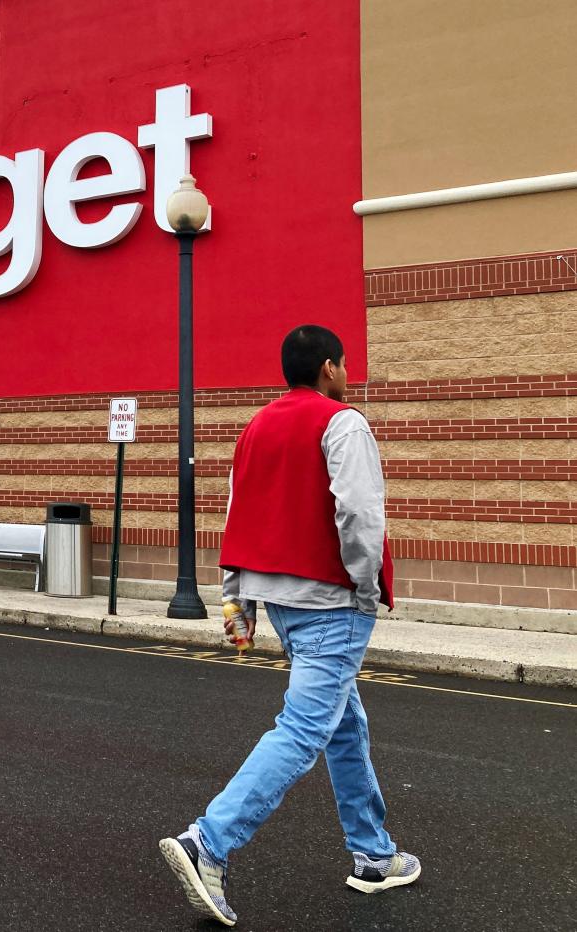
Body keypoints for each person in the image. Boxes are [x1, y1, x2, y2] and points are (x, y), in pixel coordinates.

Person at [158, 325, 419, 927]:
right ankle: (208, 843)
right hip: (331, 600)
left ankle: (375, 854)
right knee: (304, 729)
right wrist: (364, 585)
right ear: (329, 368)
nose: (349, 375)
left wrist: (236, 601)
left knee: (343, 723)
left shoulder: (255, 429)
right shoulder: (343, 421)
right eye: (345, 364)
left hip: (277, 598)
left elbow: (238, 513)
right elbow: (358, 511)